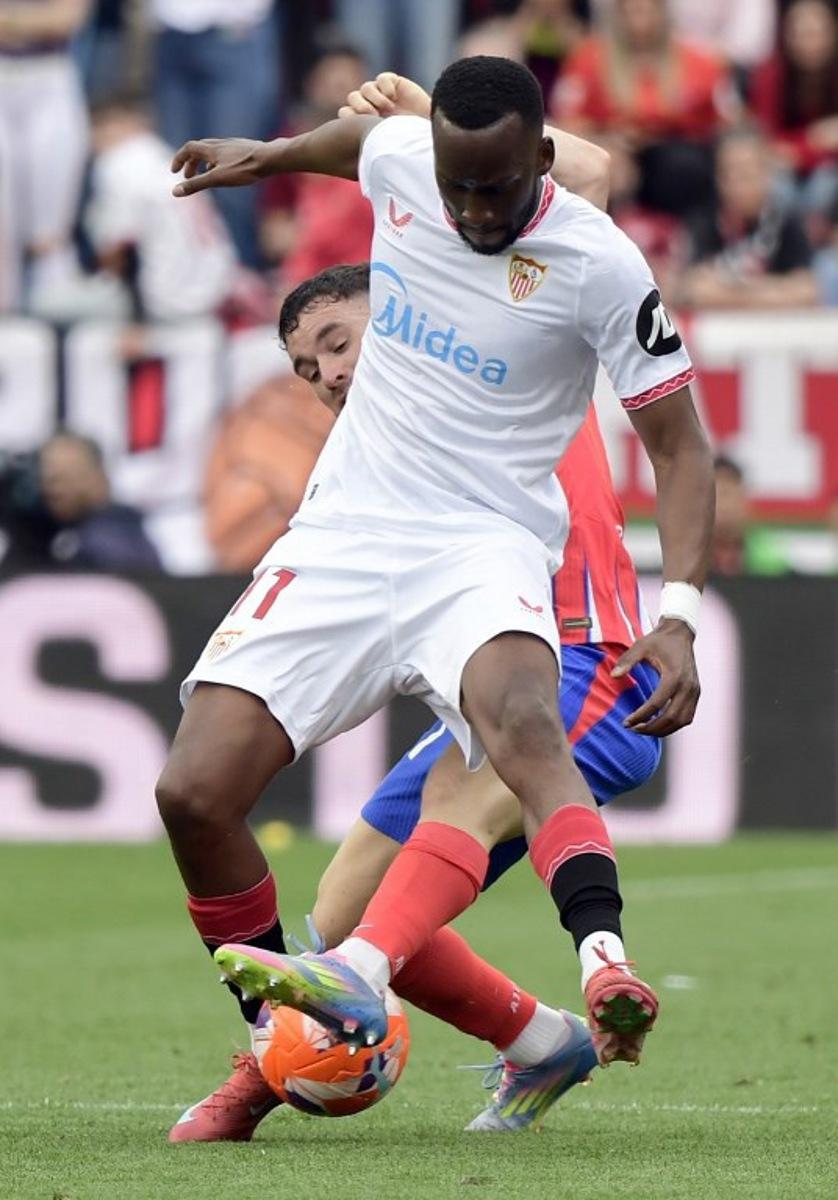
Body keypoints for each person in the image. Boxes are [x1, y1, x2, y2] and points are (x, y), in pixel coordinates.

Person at [163, 56, 713, 1076]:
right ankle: (281, 1034)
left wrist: (676, 610)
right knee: (193, 792)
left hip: (483, 540)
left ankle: (602, 959)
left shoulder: (597, 263)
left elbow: (681, 448)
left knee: (523, 728)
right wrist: (268, 159)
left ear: (538, 159)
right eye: (453, 185)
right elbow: (354, 145)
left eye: (494, 187)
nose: (469, 209)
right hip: (346, 536)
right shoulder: (406, 164)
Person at [170, 257, 665, 1143]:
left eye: (339, 343)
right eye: (305, 366)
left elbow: (569, 181)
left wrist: (407, 123)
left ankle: (269, 1065)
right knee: (343, 910)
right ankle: (542, 1041)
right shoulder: (375, 460)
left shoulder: (509, 356)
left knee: (456, 808)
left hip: (585, 660)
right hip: (479, 672)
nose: (326, 373)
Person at [552, 0, 737, 215]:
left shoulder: (702, 64)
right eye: (629, 10)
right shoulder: (587, 60)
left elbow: (731, 121)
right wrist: (605, 143)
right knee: (605, 168)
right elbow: (564, 122)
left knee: (682, 165)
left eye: (646, 9)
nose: (638, 21)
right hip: (612, 151)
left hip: (676, 161)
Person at [0, 0, 92, 313]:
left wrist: (9, 20)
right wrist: (32, 20)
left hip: (49, 73)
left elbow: (66, 19)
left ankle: (52, 326)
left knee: (51, 227)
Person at [676, 127, 820, 311]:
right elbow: (692, 290)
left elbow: (807, 291)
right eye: (729, 172)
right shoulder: (702, 222)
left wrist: (730, 291)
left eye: (746, 172)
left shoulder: (787, 222)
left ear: (767, 173)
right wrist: (774, 291)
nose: (737, 183)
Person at [38, 431, 162, 571]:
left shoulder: (110, 540)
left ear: (100, 478)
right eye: (50, 479)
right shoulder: (52, 533)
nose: (56, 490)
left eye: (67, 477)